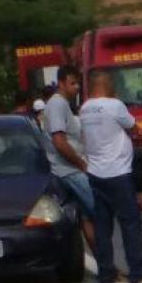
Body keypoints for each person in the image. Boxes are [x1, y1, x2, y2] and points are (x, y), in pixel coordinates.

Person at [80, 70, 142, 283]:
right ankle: (139, 272)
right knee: (130, 223)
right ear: (105, 85)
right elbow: (133, 127)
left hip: (96, 173)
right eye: (112, 83)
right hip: (118, 172)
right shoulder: (115, 105)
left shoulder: (85, 109)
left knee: (102, 226)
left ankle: (106, 273)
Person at [42, 65, 97, 253]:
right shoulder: (57, 104)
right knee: (101, 211)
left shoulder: (63, 104)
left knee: (87, 217)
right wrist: (81, 164)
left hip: (70, 169)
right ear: (61, 83)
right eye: (72, 83)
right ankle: (106, 260)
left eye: (78, 84)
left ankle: (104, 263)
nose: (77, 88)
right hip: (69, 171)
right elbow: (59, 141)